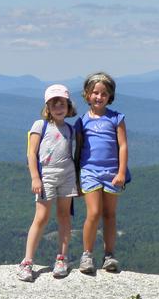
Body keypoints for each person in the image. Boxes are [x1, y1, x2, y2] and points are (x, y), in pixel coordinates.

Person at [17, 84, 80, 282]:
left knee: (64, 216)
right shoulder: (40, 125)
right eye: (54, 104)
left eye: (62, 103)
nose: (58, 107)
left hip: (67, 174)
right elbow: (31, 152)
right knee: (41, 217)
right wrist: (35, 177)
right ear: (47, 107)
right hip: (47, 175)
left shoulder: (70, 128)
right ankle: (27, 261)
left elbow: (74, 155)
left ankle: (62, 258)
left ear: (69, 106)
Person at [76, 71, 129, 274]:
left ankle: (109, 255)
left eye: (104, 93)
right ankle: (87, 255)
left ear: (110, 96)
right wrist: (77, 178)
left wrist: (121, 172)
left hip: (112, 173)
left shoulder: (116, 118)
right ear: (87, 95)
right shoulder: (82, 121)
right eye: (95, 93)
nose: (99, 97)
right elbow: (78, 150)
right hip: (89, 171)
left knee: (110, 214)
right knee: (94, 213)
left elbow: (123, 146)